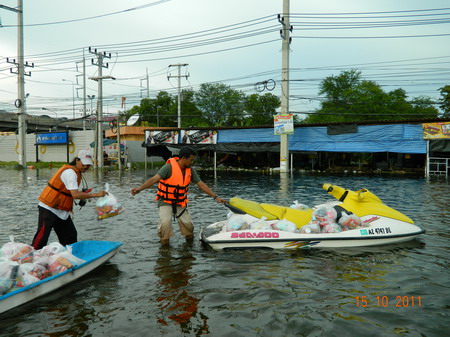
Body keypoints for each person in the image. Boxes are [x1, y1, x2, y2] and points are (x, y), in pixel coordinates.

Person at [131, 147, 226, 245]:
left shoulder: (191, 170)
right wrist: (140, 188)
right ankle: (165, 251)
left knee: (188, 227)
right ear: (184, 158)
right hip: (165, 201)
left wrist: (216, 197)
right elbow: (153, 180)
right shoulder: (168, 168)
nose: (192, 162)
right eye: (191, 160)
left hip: (180, 202)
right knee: (165, 225)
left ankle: (189, 248)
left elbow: (201, 184)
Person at [31, 150, 107, 250]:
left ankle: (67, 257)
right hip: (49, 207)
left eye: (88, 165)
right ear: (77, 160)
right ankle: (32, 256)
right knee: (42, 235)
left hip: (61, 210)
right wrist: (96, 194)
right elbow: (75, 195)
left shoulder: (76, 172)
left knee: (70, 235)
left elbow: (70, 191)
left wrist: (85, 193)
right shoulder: (70, 172)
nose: (86, 167)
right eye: (84, 164)